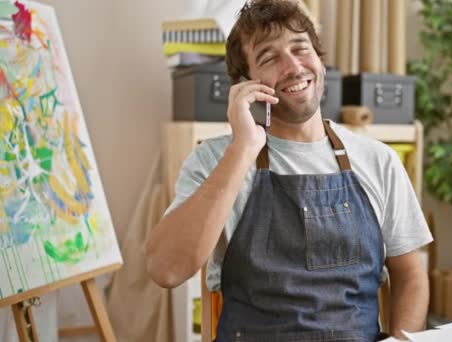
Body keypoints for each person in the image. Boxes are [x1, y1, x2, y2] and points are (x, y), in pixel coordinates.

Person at [146, 0, 433, 340]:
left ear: (319, 58)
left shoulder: (378, 160)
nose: (294, 66)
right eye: (269, 58)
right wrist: (244, 148)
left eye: (301, 48)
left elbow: (411, 274)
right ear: (245, 83)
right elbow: (166, 270)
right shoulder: (214, 161)